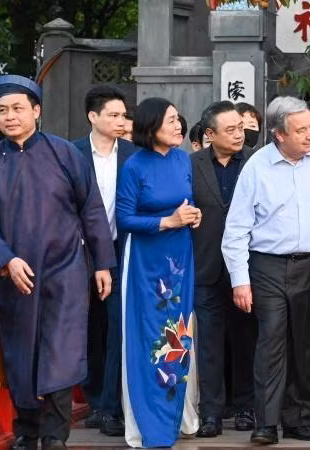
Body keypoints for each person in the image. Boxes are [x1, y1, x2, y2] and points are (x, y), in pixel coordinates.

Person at [0, 75, 116, 449]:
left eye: (17, 108)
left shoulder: (64, 154)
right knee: (20, 354)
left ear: (37, 111)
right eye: (1, 110)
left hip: (66, 271)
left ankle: (55, 436)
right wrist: (6, 260)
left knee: (62, 352)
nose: (10, 117)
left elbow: (91, 209)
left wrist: (102, 264)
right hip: (17, 276)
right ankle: (27, 430)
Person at [222, 96, 310, 445]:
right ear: (278, 135)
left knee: (305, 345)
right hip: (267, 265)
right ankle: (266, 423)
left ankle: (298, 419)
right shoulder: (257, 167)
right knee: (271, 341)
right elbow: (237, 228)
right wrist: (240, 280)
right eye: (301, 130)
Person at [117, 97, 202, 448]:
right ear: (151, 126)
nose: (178, 125)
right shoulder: (135, 165)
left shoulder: (183, 159)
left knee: (179, 334)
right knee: (150, 335)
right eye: (170, 121)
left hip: (180, 258)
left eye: (178, 120)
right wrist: (167, 221)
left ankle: (175, 414)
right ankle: (149, 425)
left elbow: (185, 202)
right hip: (146, 262)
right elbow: (123, 219)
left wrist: (191, 216)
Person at [72, 85, 137, 437]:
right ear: (92, 116)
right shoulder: (71, 153)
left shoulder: (132, 154)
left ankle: (111, 406)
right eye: (112, 115)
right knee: (87, 327)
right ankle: (94, 399)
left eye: (123, 115)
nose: (120, 121)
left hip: (119, 251)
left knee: (116, 326)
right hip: (77, 253)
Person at [191, 101, 257, 437]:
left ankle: (246, 407)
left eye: (240, 128)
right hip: (206, 267)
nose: (238, 134)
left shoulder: (257, 164)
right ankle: (212, 413)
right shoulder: (191, 165)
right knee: (210, 345)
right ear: (209, 134)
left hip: (247, 270)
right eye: (230, 129)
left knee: (246, 341)